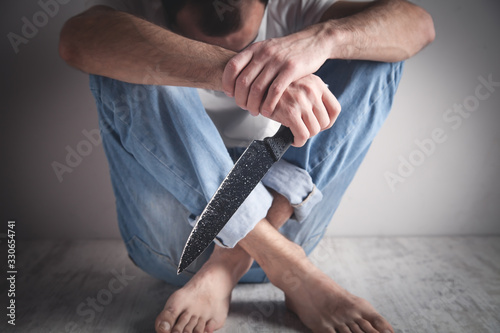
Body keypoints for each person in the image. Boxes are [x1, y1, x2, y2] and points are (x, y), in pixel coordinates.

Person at [59, 0, 434, 332]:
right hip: (173, 247)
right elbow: (77, 38)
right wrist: (241, 74)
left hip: (288, 221)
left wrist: (324, 39)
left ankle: (230, 264)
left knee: (376, 51)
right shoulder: (140, 10)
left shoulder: (298, 12)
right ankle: (292, 269)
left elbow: (418, 23)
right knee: (124, 54)